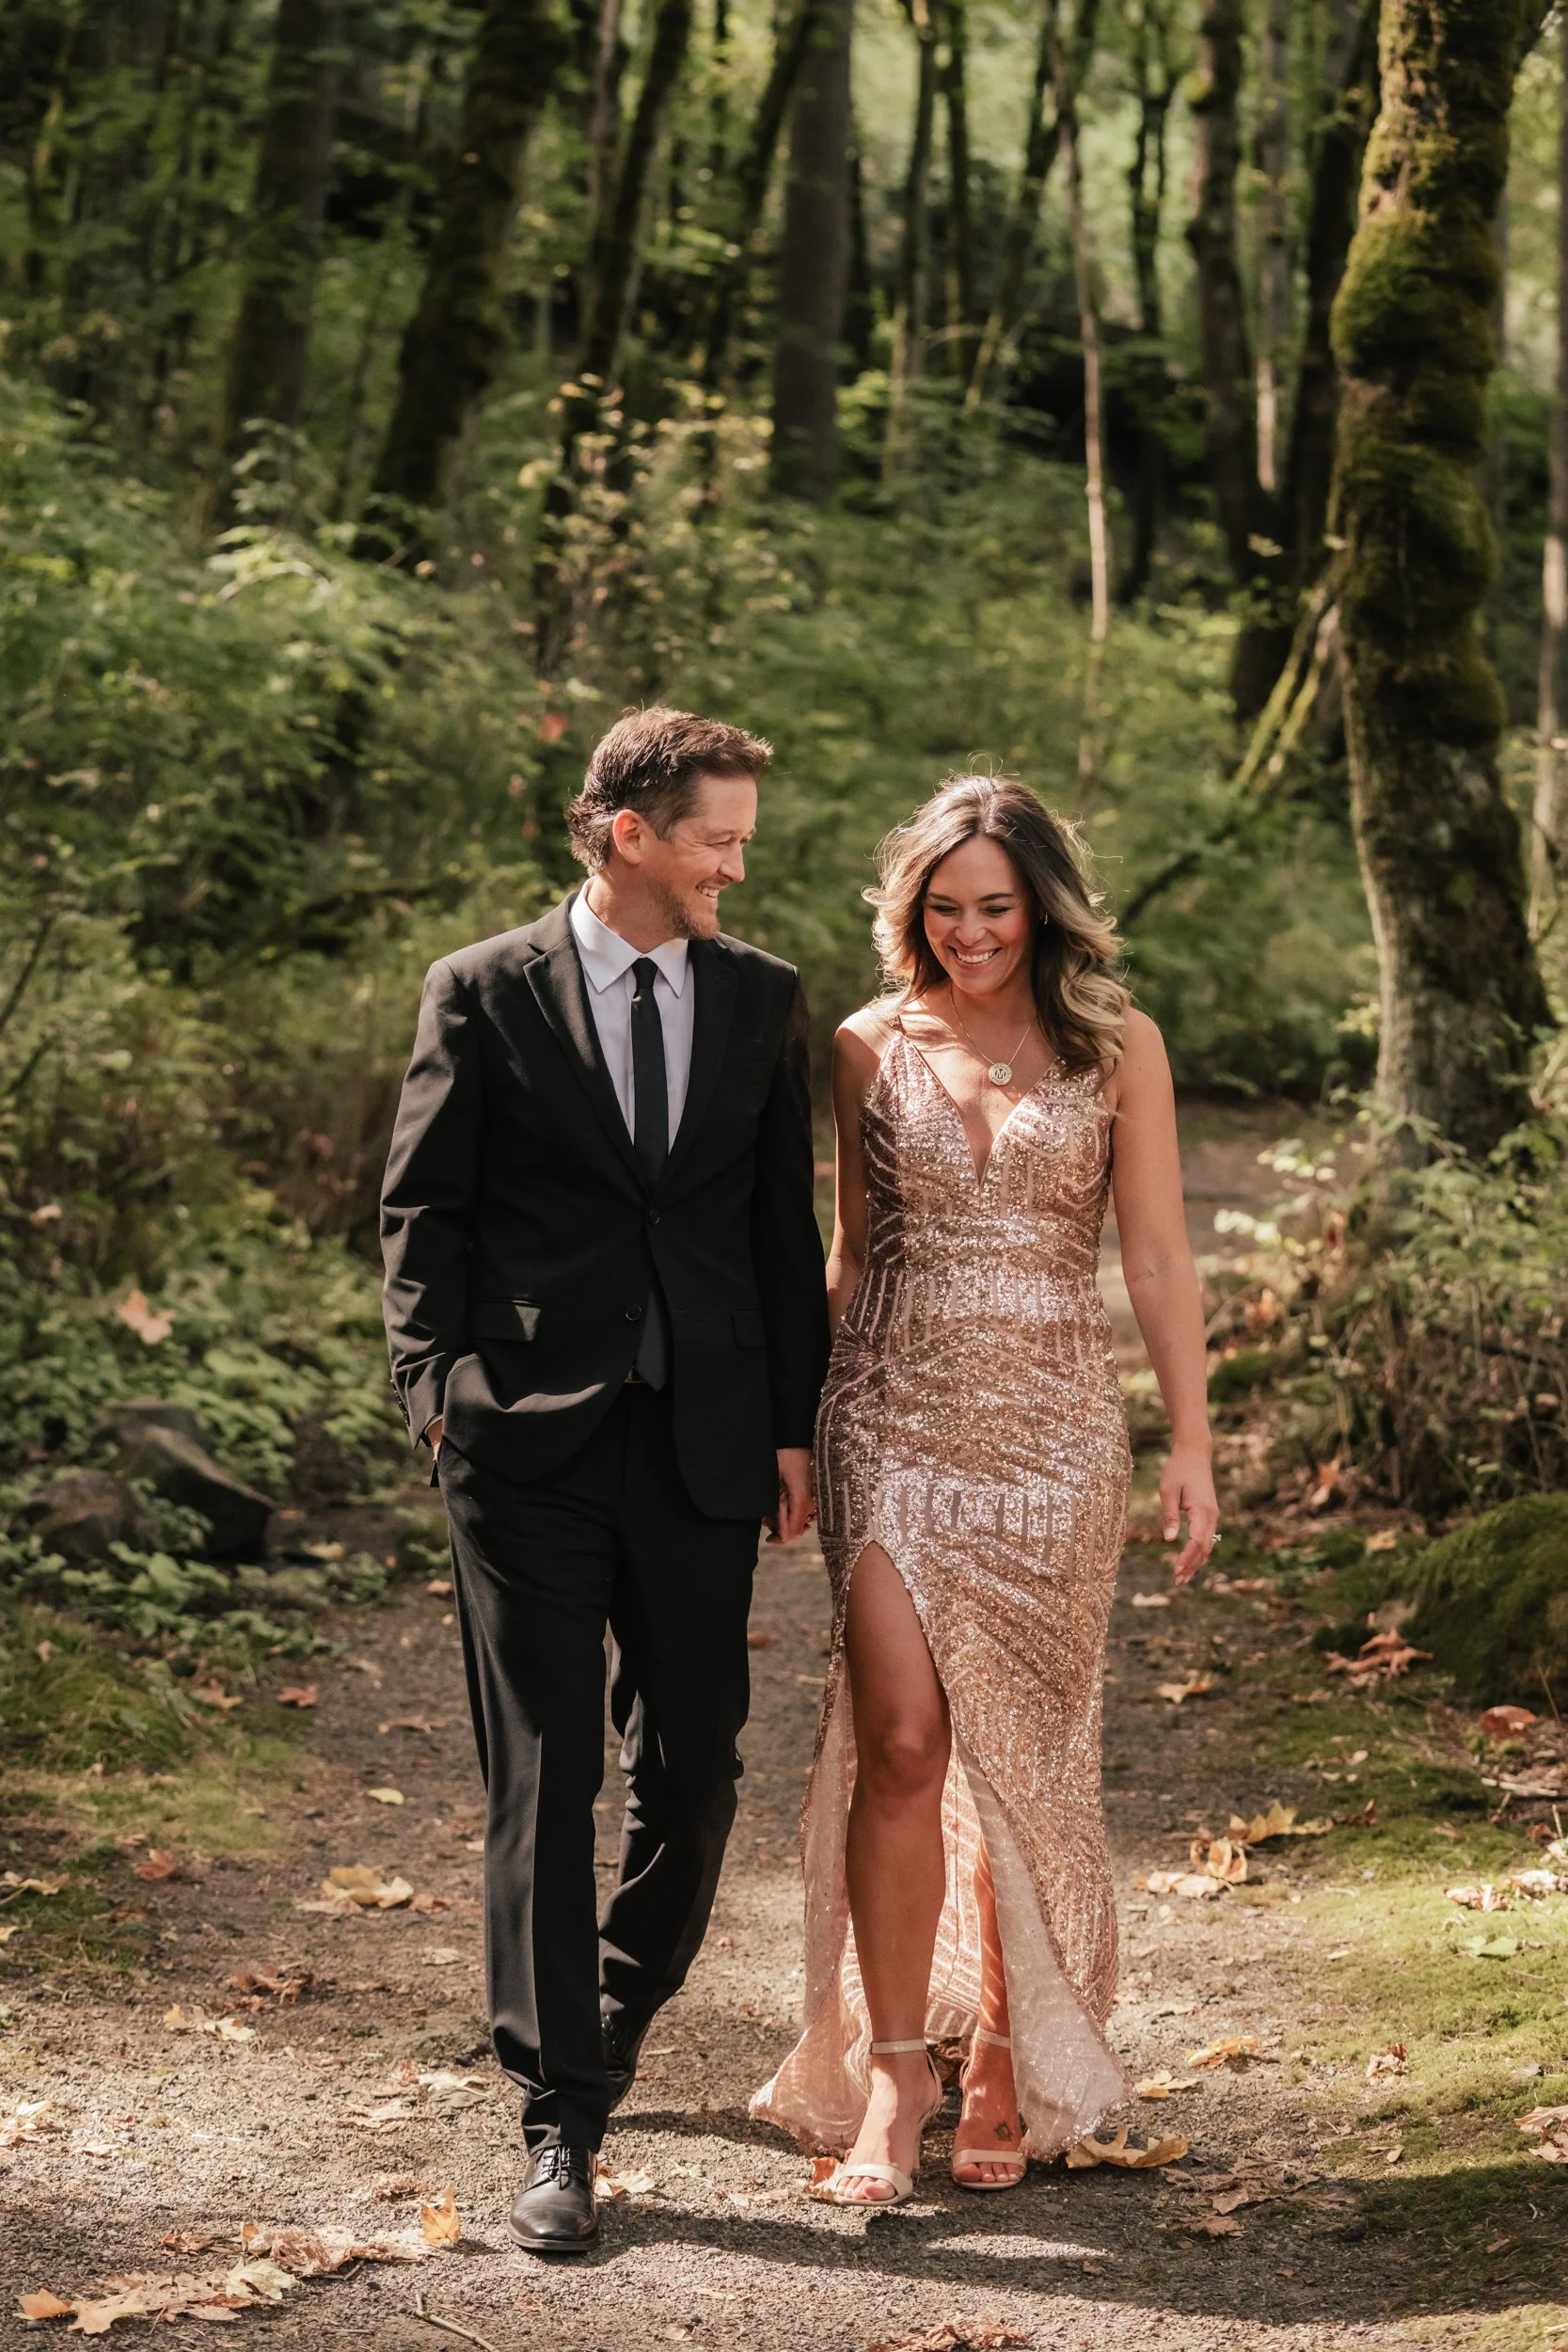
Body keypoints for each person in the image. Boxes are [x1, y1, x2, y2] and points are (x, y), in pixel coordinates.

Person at [381, 707, 829, 2252]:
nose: (737, 866)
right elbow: (419, 1212)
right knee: (544, 1774)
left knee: (695, 1771)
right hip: (520, 1441)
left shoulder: (762, 998)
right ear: (628, 833)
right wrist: (433, 1392)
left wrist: (793, 1425)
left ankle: (613, 2015)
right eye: (718, 839)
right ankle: (558, 2114)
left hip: (702, 1440)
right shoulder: (480, 992)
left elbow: (780, 1233)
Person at [752, 774, 1217, 2204]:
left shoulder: (1114, 1045)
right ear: (914, 914)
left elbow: (1152, 1260)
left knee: (1022, 1755)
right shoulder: (862, 1044)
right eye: (943, 910)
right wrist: (793, 1428)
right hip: (890, 1415)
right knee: (897, 1737)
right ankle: (895, 2078)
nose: (969, 935)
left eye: (995, 907)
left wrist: (1192, 1443)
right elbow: (847, 1252)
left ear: (1043, 905)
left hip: (1055, 1433)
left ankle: (1006, 2059)